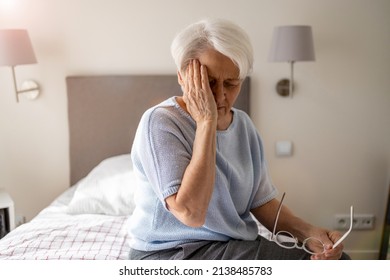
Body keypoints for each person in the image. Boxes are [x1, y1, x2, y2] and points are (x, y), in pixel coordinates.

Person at [128, 18, 350, 260]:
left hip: (230, 245)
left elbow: (261, 203)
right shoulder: (160, 122)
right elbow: (191, 214)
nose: (220, 96)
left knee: (340, 262)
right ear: (183, 77)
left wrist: (310, 233)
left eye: (231, 83)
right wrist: (206, 122)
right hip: (173, 252)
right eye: (209, 83)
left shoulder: (243, 125)